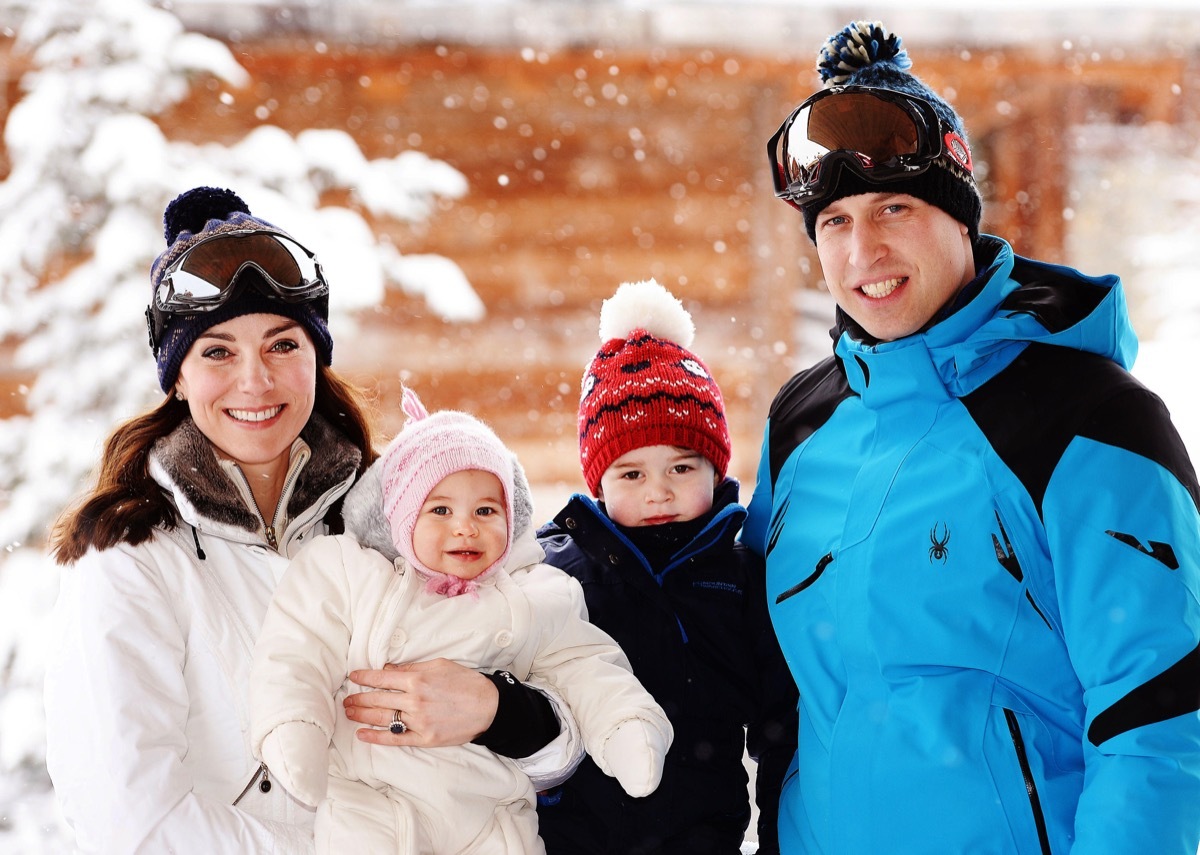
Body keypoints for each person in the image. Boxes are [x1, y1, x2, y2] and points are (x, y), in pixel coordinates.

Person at [743, 20, 1200, 853]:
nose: (864, 249)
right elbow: (775, 697)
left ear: (961, 219)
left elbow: (1162, 716)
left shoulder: (1087, 418)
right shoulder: (802, 425)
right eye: (833, 222)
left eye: (894, 207)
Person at [43, 186, 582, 853]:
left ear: (315, 355)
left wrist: (503, 712)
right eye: (217, 351)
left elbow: (564, 731)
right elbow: (130, 815)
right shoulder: (130, 556)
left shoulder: (401, 513)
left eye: (281, 344)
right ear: (176, 376)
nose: (254, 380)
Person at [250, 387, 673, 853]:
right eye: (441, 510)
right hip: (373, 805)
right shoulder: (352, 573)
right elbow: (296, 650)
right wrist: (294, 726)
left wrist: (624, 724)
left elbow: (587, 666)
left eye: (486, 510)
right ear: (403, 517)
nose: (465, 527)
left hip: (491, 815)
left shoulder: (534, 593)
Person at [536, 279, 799, 854]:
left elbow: (781, 728)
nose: (658, 493)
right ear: (599, 484)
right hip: (572, 838)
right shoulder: (554, 572)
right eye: (631, 474)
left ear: (715, 468)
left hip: (701, 837)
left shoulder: (741, 576)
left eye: (681, 468)